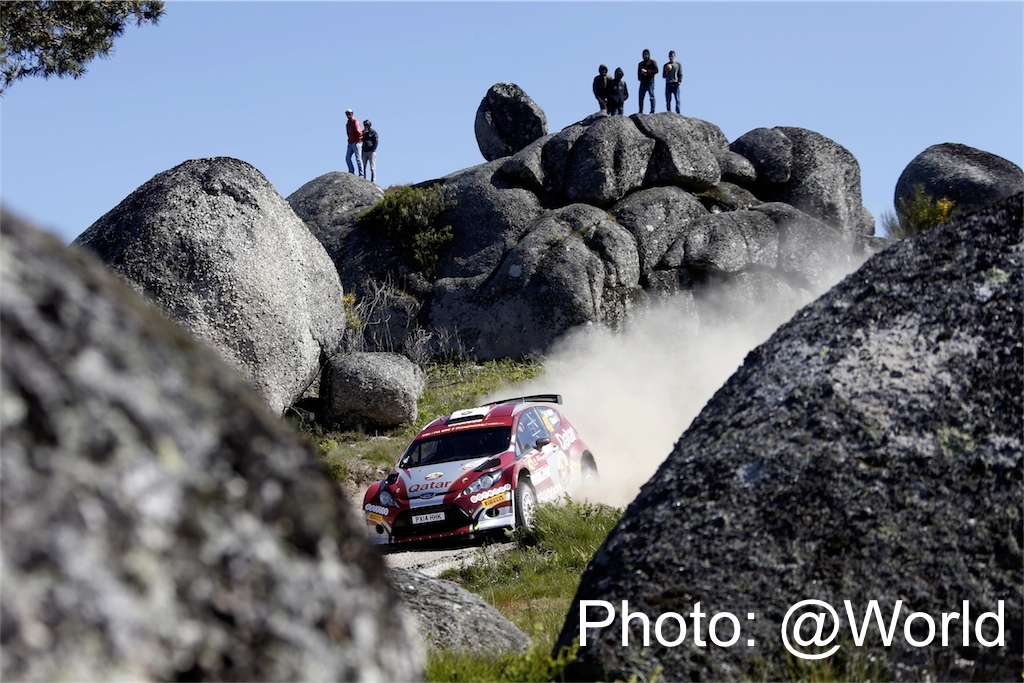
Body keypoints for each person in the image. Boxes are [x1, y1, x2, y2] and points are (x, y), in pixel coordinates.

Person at [637, 48, 658, 114]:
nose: (645, 56)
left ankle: (652, 110)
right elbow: (638, 73)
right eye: (644, 54)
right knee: (641, 97)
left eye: (646, 54)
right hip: (643, 82)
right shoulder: (641, 64)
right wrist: (641, 77)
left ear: (649, 55)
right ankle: (640, 110)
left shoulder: (652, 62)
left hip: (650, 82)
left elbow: (656, 70)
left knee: (651, 96)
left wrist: (647, 71)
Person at [345, 108, 363, 176]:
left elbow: (359, 132)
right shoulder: (348, 124)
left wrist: (358, 140)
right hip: (350, 143)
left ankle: (361, 174)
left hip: (356, 142)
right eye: (347, 114)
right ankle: (351, 171)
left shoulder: (355, 121)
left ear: (352, 114)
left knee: (358, 158)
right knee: (347, 157)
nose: (348, 115)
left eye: (349, 114)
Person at [361, 119, 378, 183]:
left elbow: (376, 141)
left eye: (367, 125)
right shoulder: (363, 132)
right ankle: (363, 180)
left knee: (372, 168)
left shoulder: (373, 132)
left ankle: (373, 181)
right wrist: (363, 134)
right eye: (365, 125)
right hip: (364, 151)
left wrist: (373, 149)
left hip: (371, 152)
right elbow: (360, 140)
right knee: (363, 167)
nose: (366, 126)